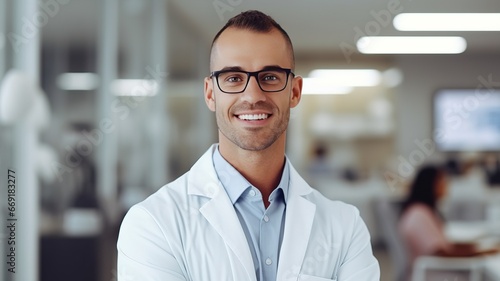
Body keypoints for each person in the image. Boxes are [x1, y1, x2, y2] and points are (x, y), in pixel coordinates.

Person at [117, 10, 380, 281]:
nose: (252, 96)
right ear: (210, 93)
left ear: (295, 92)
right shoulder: (153, 224)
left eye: (270, 77)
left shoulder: (345, 227)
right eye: (233, 78)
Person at [398, 165, 497, 272]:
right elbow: (443, 254)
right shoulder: (419, 215)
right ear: (430, 184)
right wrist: (481, 253)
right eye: (442, 181)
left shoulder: (422, 211)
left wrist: (480, 247)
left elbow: (446, 246)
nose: (446, 185)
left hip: (434, 270)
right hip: (434, 273)